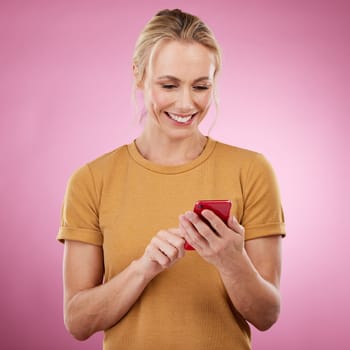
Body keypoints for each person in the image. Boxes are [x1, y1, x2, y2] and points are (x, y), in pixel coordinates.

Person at [57, 8, 286, 350]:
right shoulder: (91, 180)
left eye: (200, 86)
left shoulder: (251, 171)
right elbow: (78, 321)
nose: (186, 103)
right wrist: (143, 270)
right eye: (168, 85)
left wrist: (231, 260)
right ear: (139, 74)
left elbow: (267, 315)